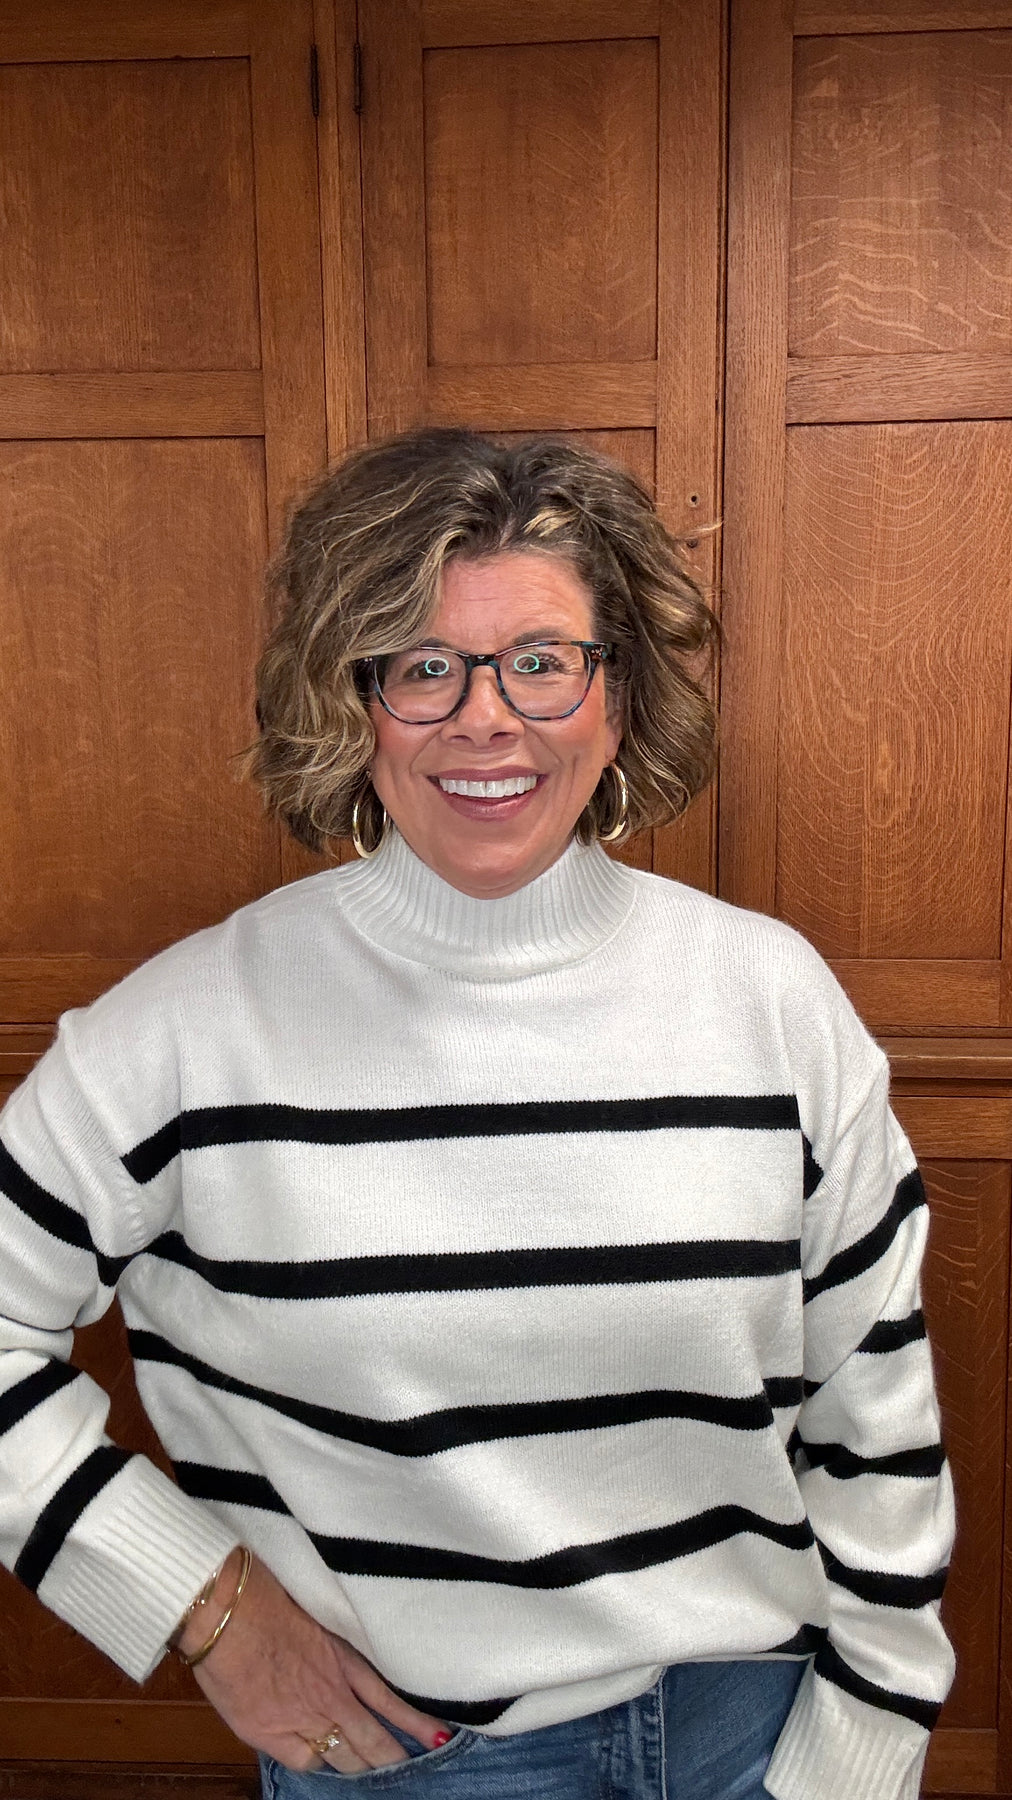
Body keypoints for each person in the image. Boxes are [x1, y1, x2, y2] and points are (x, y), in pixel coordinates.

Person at [0, 429, 954, 1800]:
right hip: (410, 1759)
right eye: (423, 665)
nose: (487, 719)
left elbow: (877, 1404)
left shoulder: (770, 1000)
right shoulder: (186, 1033)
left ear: (618, 695)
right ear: (352, 700)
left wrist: (871, 1733)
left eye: (541, 660)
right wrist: (200, 1606)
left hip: (758, 1733)